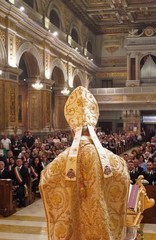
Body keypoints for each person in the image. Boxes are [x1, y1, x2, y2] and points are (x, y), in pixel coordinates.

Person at [40, 86, 130, 240]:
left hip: (73, 227)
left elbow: (46, 181)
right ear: (95, 130)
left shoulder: (62, 159)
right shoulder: (112, 160)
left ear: (73, 131)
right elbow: (123, 178)